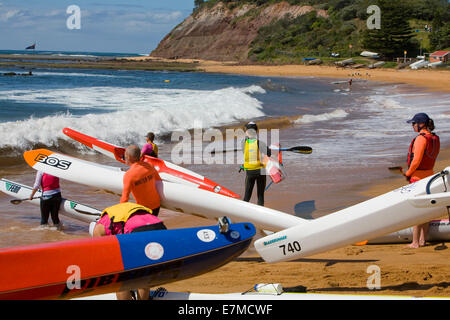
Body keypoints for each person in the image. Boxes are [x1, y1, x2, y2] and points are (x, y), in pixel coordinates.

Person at [92, 202, 166, 300]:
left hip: (138, 231)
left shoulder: (98, 228)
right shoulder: (117, 212)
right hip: (160, 227)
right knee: (144, 274)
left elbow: (106, 259)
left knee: (120, 280)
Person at [404, 112, 440, 248]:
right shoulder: (435, 138)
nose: (412, 126)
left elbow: (416, 161)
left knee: (417, 210)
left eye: (414, 123)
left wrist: (408, 173)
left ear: (421, 124)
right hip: (430, 176)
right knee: (426, 209)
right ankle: (423, 240)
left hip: (418, 178)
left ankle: (415, 242)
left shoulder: (421, 139)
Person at [121, 145, 161, 216]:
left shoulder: (129, 175)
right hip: (157, 206)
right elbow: (158, 180)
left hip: (144, 210)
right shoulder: (150, 165)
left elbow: (124, 199)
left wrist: (120, 215)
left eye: (125, 155)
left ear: (128, 157)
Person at [240, 122, 271, 206]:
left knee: (247, 196)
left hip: (250, 172)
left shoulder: (243, 143)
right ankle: (260, 214)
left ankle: (242, 212)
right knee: (260, 196)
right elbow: (268, 154)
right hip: (261, 171)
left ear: (246, 132)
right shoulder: (261, 143)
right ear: (256, 131)